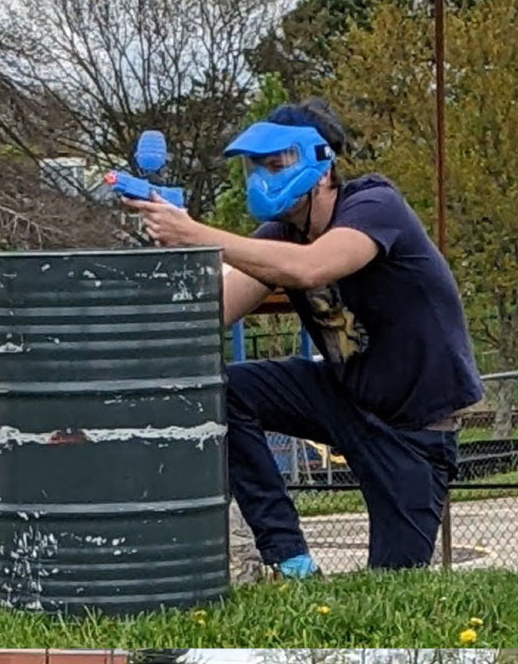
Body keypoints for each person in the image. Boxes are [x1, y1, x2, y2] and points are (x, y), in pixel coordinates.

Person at [127, 97, 483, 577]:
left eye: (275, 165)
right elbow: (210, 312)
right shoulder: (279, 235)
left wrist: (194, 233)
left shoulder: (375, 206)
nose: (260, 179)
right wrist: (174, 255)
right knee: (223, 390)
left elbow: (309, 267)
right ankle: (289, 556)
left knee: (394, 585)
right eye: (256, 167)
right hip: (344, 397)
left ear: (320, 167)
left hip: (414, 429)